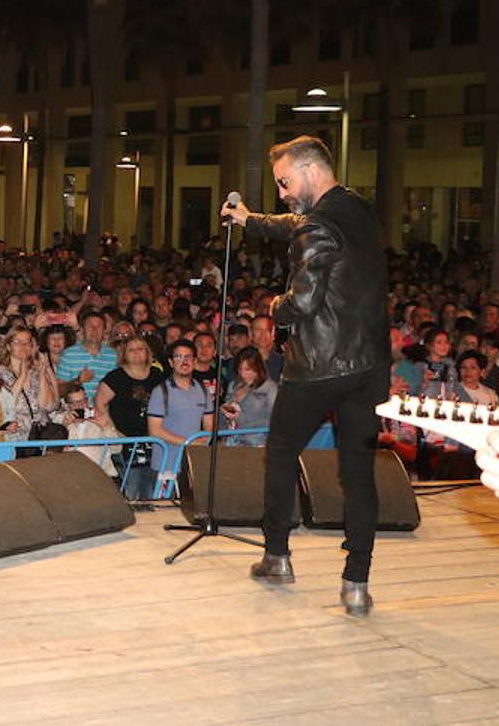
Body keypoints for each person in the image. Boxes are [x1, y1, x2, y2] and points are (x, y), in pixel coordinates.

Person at [226, 134, 389, 617]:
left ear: (309, 171)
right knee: (359, 473)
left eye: (283, 181)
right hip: (369, 365)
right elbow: (298, 223)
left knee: (279, 453)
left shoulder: (316, 226)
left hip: (318, 365)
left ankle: (277, 556)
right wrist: (250, 219)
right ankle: (356, 584)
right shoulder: (357, 209)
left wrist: (273, 307)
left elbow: (303, 301)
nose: (280, 192)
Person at [94, 335, 165, 499]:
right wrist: (114, 432)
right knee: (131, 487)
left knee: (152, 487)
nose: (136, 353)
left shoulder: (157, 375)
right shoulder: (115, 377)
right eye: (131, 350)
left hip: (153, 440)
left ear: (148, 353)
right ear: (124, 354)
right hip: (125, 440)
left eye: (141, 349)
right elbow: (99, 402)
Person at [146, 339, 213, 474]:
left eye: (188, 357)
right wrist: (188, 442)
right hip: (166, 464)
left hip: (193, 463)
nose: (184, 361)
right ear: (171, 362)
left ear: (194, 361)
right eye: (179, 357)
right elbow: (154, 430)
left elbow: (209, 424)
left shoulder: (203, 390)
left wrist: (204, 440)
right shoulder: (160, 391)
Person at [220, 346, 277, 447]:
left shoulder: (270, 388)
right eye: (240, 369)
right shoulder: (233, 385)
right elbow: (223, 420)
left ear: (258, 368)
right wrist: (224, 413)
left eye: (248, 369)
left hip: (257, 444)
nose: (243, 374)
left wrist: (239, 417)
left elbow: (275, 420)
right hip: (232, 442)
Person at [56, 308, 118, 400]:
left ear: (105, 330)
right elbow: (58, 390)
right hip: (78, 410)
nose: (94, 329)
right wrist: (78, 381)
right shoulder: (69, 354)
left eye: (99, 326)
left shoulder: (113, 355)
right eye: (90, 326)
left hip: (105, 410)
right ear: (82, 329)